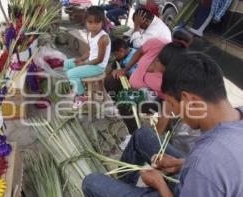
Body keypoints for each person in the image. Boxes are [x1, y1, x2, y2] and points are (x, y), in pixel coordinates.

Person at [82, 52, 243, 197]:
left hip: (191, 184)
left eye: (172, 104)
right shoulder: (237, 116)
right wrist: (181, 164)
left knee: (91, 182)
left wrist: (159, 184)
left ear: (189, 100)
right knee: (142, 135)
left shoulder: (206, 162)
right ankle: (125, 188)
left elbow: (207, 170)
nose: (173, 112)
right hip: (198, 178)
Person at [64, 6, 111, 109]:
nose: (93, 26)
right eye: (90, 22)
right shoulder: (90, 34)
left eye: (97, 23)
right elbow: (91, 51)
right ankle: (79, 84)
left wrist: (83, 64)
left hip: (98, 67)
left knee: (70, 73)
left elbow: (99, 59)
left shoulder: (103, 38)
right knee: (67, 63)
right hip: (90, 62)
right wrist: (81, 58)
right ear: (85, 22)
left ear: (102, 22)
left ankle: (82, 96)